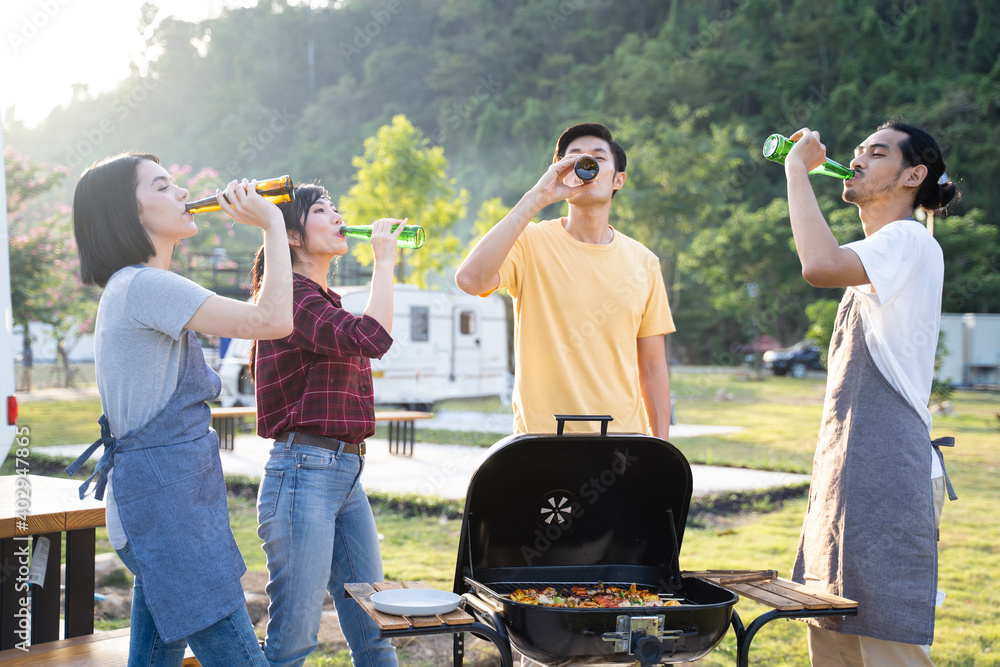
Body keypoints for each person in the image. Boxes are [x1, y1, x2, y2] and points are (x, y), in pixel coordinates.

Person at [68, 152, 294, 666]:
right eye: (163, 186)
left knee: (154, 658)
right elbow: (275, 319)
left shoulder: (133, 287)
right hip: (166, 515)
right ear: (130, 213)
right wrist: (273, 225)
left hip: (160, 507)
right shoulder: (146, 285)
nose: (181, 194)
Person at [782, 122, 958, 665]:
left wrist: (795, 170)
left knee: (885, 641)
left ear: (914, 175)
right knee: (831, 630)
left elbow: (818, 265)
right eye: (856, 151)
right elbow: (832, 259)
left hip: (885, 470)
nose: (856, 160)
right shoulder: (879, 251)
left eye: (875, 153)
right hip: (848, 468)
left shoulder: (907, 239)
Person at [250, 183, 404, 667]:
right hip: (303, 472)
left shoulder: (322, 298)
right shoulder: (291, 297)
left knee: (373, 625)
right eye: (321, 210)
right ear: (292, 236)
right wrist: (384, 263)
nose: (338, 217)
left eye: (337, 208)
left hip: (344, 474)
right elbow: (373, 337)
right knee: (294, 638)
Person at [455, 122, 674, 438]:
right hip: (542, 443)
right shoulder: (529, 242)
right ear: (560, 171)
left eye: (598, 158)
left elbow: (653, 368)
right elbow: (470, 280)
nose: (587, 165)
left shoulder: (644, 262)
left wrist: (661, 450)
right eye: (574, 158)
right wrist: (537, 197)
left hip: (622, 445)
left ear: (619, 180)